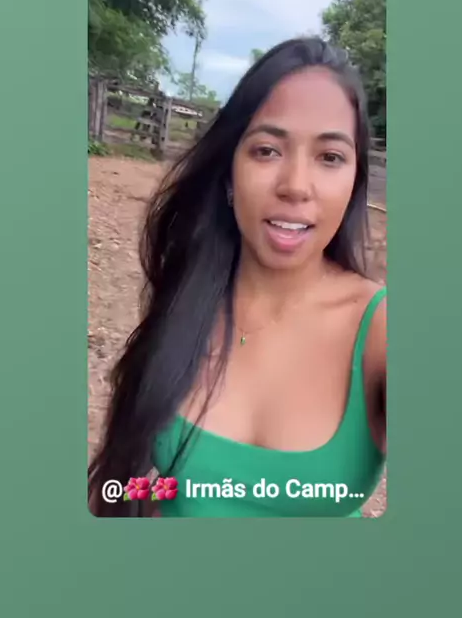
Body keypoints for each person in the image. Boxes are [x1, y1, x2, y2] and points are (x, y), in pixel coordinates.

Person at [89, 36, 387, 517]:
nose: (296, 186)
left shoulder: (380, 332)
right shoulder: (189, 300)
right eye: (267, 150)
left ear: (355, 182)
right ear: (229, 172)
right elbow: (141, 487)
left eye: (330, 157)